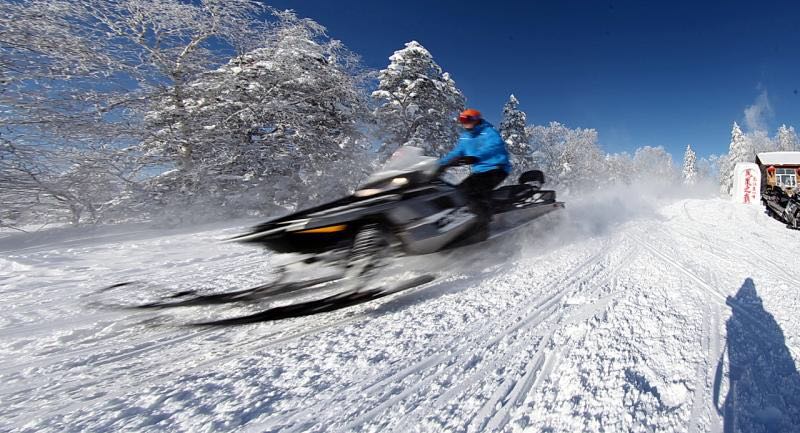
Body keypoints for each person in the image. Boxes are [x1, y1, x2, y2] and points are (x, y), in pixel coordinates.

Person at [439, 108, 512, 240]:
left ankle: (482, 227)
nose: (465, 123)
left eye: (468, 119)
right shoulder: (465, 137)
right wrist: (440, 164)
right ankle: (460, 226)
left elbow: (494, 147)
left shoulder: (488, 132)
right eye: (462, 120)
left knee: (477, 191)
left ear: (476, 119)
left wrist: (475, 157)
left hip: (496, 167)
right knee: (458, 192)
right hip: (479, 171)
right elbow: (456, 153)